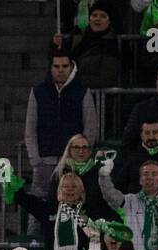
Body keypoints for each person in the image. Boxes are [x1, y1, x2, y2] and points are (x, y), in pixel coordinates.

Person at [24, 49, 97, 202]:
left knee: (75, 202)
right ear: (51, 68)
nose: (60, 70)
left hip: (73, 162)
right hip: (45, 161)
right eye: (56, 66)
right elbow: (30, 130)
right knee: (38, 205)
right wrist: (36, 161)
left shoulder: (83, 92)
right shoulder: (38, 92)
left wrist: (81, 158)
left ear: (71, 67)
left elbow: (90, 129)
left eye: (64, 66)